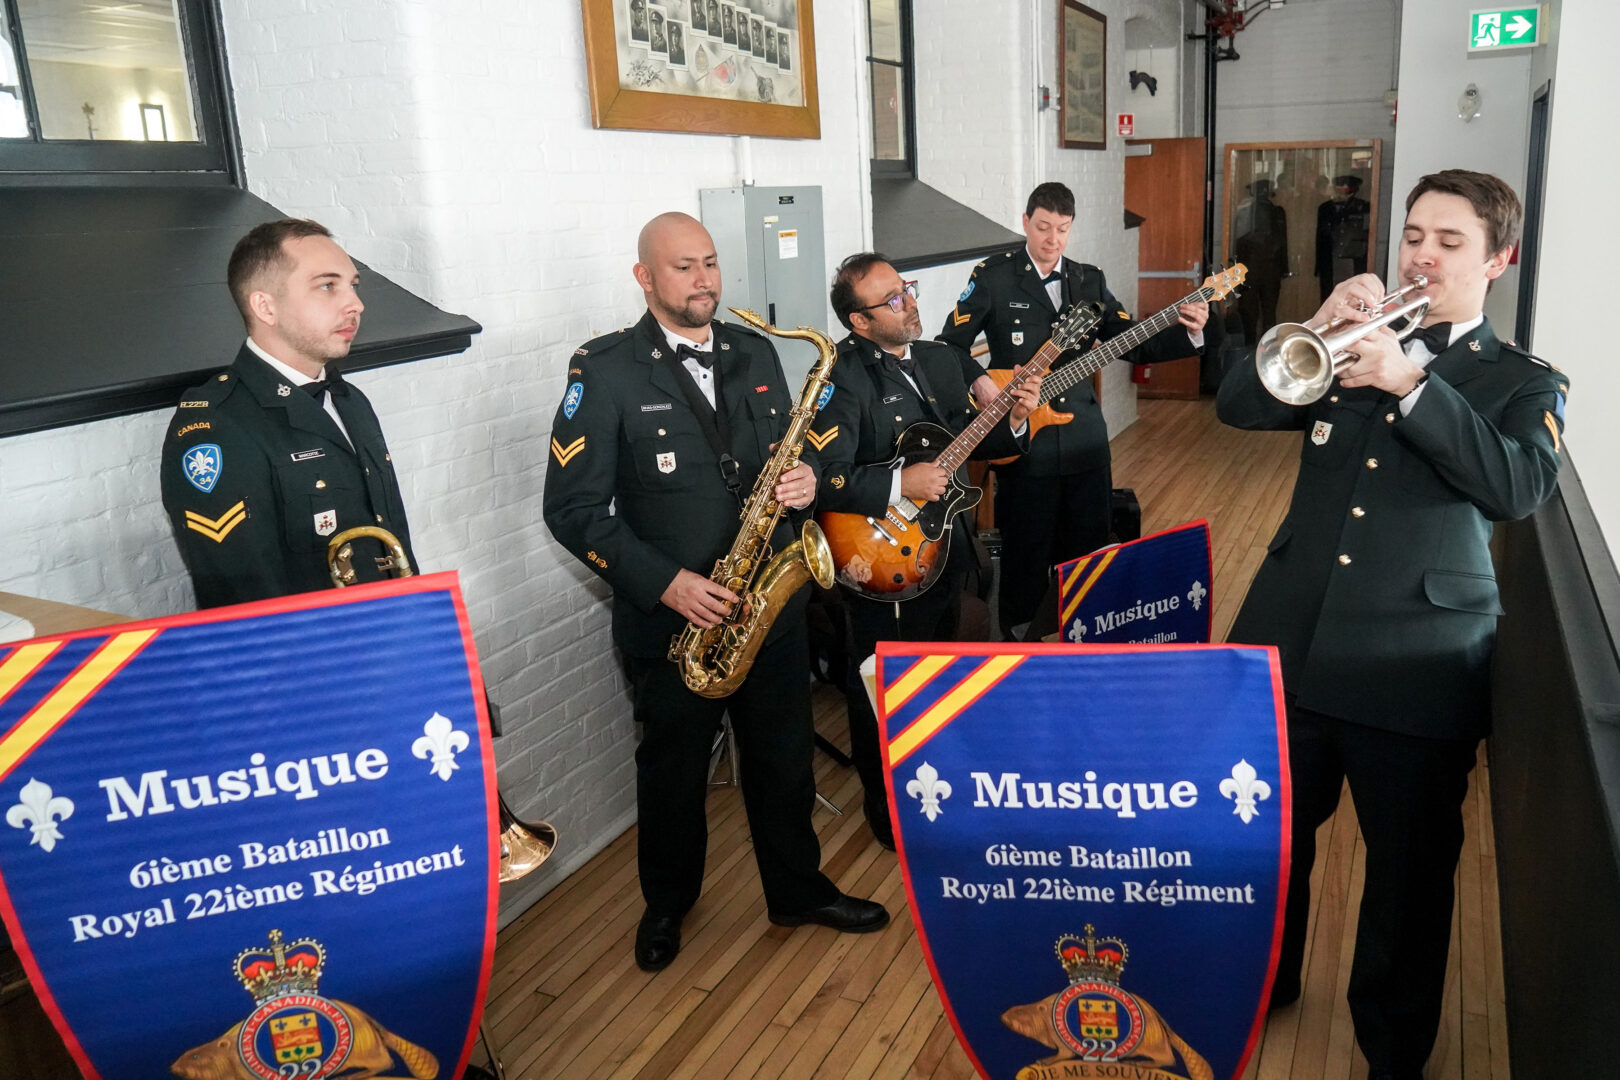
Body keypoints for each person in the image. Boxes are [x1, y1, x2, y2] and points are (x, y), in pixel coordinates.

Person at [1217, 170, 1567, 1080]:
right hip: (1290, 645)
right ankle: (1265, 988)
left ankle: (1393, 1047)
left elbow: (1518, 488)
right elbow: (1239, 406)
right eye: (1415, 234)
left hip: (1416, 663)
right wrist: (1327, 332)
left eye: (1450, 242)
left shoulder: (1519, 381)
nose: (1423, 254)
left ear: (1500, 259)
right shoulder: (1356, 337)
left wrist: (1414, 386)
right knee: (1270, 847)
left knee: (1408, 880)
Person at [542, 213, 888, 972]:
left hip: (769, 606)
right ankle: (667, 905)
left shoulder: (757, 351)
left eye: (710, 263)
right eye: (682, 268)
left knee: (785, 763)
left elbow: (781, 456)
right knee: (672, 777)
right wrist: (667, 585)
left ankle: (798, 889)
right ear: (645, 278)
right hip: (674, 622)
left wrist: (802, 484)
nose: (704, 280)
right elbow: (570, 511)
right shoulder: (604, 371)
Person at [811, 253, 1041, 848]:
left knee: (947, 673)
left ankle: (945, 786)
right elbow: (822, 474)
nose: (907, 301)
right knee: (882, 687)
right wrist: (897, 485)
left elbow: (979, 439)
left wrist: (1015, 416)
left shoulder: (942, 358)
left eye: (905, 289)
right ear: (860, 323)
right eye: (890, 299)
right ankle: (887, 812)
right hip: (880, 557)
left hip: (949, 551)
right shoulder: (839, 376)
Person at [937, 181, 1209, 636]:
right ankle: (1021, 642)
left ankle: (1084, 639)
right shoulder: (994, 275)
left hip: (1085, 438)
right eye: (1043, 227)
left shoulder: (1089, 279)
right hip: (1023, 440)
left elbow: (1133, 342)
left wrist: (1190, 330)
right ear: (1026, 223)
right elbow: (950, 346)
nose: (1052, 240)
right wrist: (981, 381)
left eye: (1062, 229)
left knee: (1087, 553)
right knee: (1026, 553)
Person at [160, 218, 414, 609]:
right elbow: (244, 599)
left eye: (353, 285)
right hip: (311, 660)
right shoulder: (220, 426)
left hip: (386, 635)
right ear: (265, 306)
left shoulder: (349, 400)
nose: (356, 304)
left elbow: (389, 541)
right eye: (328, 286)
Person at [1232, 178, 1288, 345]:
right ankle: (1254, 347)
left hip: (1262, 269)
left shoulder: (1277, 212)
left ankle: (1265, 346)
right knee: (1252, 313)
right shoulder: (1245, 211)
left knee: (1265, 314)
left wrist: (1283, 268)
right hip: (1252, 269)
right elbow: (1238, 242)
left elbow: (1283, 242)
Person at [1316, 174, 1371, 301]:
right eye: (1341, 184)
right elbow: (1321, 239)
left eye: (1348, 185)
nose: (1344, 188)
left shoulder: (1363, 207)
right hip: (1330, 260)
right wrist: (1318, 267)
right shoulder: (1326, 208)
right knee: (1328, 298)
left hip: (1354, 260)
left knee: (1353, 298)